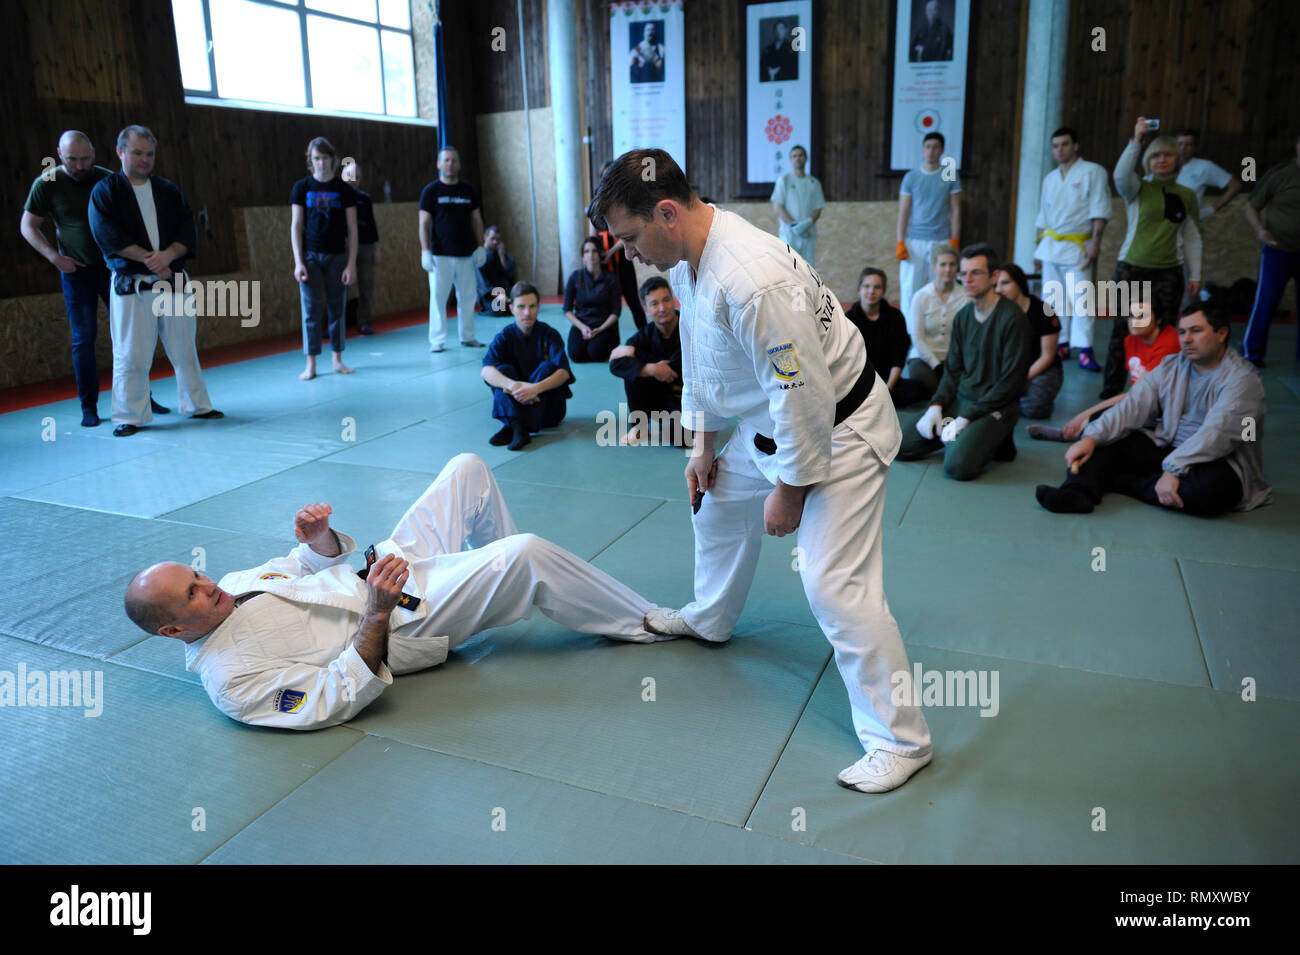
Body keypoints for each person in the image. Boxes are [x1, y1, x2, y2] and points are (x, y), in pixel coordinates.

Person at [590, 148, 933, 794]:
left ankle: (900, 738)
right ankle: (710, 616)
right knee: (713, 498)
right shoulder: (691, 258)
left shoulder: (750, 278)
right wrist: (702, 445)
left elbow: (800, 393)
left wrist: (790, 491)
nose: (627, 252)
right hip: (767, 427)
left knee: (834, 585)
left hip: (840, 431)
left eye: (631, 237)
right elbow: (705, 361)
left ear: (666, 213)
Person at [123, 453, 667, 730]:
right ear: (172, 630)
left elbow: (300, 565)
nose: (210, 586)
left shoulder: (233, 586)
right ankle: (646, 622)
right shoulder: (234, 681)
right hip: (404, 620)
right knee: (524, 551)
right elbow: (332, 698)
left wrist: (320, 539)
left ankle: (512, 588)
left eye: (197, 577)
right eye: (193, 594)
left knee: (467, 470)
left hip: (380, 568)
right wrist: (377, 615)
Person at [1036, 302, 1270, 516]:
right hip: (1166, 445)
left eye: (1196, 331)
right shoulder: (1172, 366)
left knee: (1208, 492)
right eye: (1182, 332)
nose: (1186, 339)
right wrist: (1092, 437)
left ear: (1221, 334)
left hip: (1217, 460)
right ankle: (1076, 494)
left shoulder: (1243, 380)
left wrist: (1174, 469)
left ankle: (1118, 480)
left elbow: (1218, 435)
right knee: (1104, 440)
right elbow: (1133, 404)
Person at [88, 125, 221, 437]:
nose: (144, 159)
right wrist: (152, 259)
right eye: (137, 152)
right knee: (131, 354)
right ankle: (130, 415)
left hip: (172, 279)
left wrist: (169, 255)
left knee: (185, 348)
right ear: (120, 152)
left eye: (149, 154)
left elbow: (187, 227)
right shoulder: (105, 192)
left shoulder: (167, 190)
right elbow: (107, 235)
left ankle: (197, 405)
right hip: (132, 284)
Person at [897, 244, 1034, 478]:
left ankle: (985, 437)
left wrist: (966, 418)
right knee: (903, 446)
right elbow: (953, 371)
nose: (967, 279)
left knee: (957, 466)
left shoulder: (1013, 320)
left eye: (975, 273)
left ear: (994, 276)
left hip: (993, 408)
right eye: (964, 273)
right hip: (961, 403)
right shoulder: (963, 317)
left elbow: (1010, 384)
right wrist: (936, 406)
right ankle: (968, 437)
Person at [1100, 118, 1202, 400]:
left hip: (1169, 273)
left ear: (1178, 159)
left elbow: (1193, 236)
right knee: (1124, 331)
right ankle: (1110, 393)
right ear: (1147, 160)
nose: (1161, 160)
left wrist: (1195, 274)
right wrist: (1136, 141)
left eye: (1168, 154)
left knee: (1166, 333)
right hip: (1131, 269)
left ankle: (1159, 389)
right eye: (1155, 155)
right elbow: (1120, 175)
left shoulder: (1187, 195)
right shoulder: (1137, 188)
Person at [21, 131, 115, 427]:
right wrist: (54, 258)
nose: (80, 165)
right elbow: (28, 226)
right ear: (60, 155)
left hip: (113, 270)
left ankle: (142, 396)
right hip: (76, 272)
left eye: (85, 158)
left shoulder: (107, 178)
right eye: (72, 159)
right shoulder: (47, 182)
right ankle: (89, 407)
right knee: (83, 338)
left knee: (130, 336)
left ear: (94, 153)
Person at [1028, 297, 1179, 442]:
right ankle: (1075, 433)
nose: (1134, 321)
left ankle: (1072, 434)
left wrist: (1086, 414)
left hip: (1163, 407)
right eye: (1131, 315)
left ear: (1159, 319)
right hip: (1141, 400)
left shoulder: (1168, 343)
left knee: (1108, 415)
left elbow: (1138, 393)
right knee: (1109, 414)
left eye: (1142, 316)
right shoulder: (1132, 339)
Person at [1033, 127, 1110, 368]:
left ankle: (1085, 349)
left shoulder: (1092, 172)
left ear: (1075, 146)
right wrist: (1037, 248)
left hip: (1079, 245)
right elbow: (1043, 216)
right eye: (1055, 146)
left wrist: (1095, 244)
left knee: (1082, 299)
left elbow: (1100, 210)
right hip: (1051, 246)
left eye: (1064, 144)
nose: (1059, 149)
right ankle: (1061, 344)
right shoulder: (1050, 178)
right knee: (1053, 300)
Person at [291, 138, 357, 380]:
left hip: (337, 256)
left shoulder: (344, 190)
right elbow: (296, 226)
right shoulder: (302, 188)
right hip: (310, 256)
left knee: (337, 308)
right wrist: (298, 261)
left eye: (325, 157)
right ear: (311, 160)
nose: (321, 162)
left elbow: (352, 229)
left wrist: (351, 263)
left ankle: (337, 359)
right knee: (311, 309)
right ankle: (311, 363)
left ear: (333, 159)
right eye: (316, 158)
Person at [481, 281, 573, 451]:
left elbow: (564, 373)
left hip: (548, 411)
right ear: (512, 308)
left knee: (548, 368)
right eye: (521, 307)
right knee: (502, 372)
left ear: (538, 307)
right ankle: (518, 427)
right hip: (518, 397)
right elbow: (486, 370)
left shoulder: (549, 334)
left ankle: (513, 423)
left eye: (532, 306)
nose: (527, 313)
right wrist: (513, 386)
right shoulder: (505, 336)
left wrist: (535, 389)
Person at [1242, 133, 1300, 365]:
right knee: (1265, 303)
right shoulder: (1280, 174)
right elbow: (1251, 207)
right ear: (1297, 146)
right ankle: (1253, 354)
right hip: (1278, 250)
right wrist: (1260, 231)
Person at [419, 146, 485, 352]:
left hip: (466, 254)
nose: (450, 164)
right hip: (440, 256)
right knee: (438, 299)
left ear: (459, 164)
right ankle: (437, 340)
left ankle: (468, 336)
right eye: (446, 160)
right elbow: (423, 223)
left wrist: (481, 245)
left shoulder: (468, 190)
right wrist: (424, 250)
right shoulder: (430, 192)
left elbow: (477, 219)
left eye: (454, 160)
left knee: (467, 298)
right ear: (439, 164)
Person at [609, 276, 683, 446]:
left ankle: (666, 423)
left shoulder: (688, 328)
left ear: (673, 301)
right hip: (655, 393)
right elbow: (616, 364)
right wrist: (652, 369)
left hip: (683, 395)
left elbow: (678, 366)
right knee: (633, 370)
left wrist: (636, 353)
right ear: (646, 309)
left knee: (679, 438)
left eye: (666, 300)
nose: (662, 308)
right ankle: (640, 426)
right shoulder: (645, 334)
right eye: (654, 304)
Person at [897, 131, 962, 323]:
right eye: (928, 147)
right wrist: (900, 241)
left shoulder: (949, 174)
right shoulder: (912, 177)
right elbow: (903, 211)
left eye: (935, 147)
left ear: (942, 150)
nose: (931, 151)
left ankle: (939, 330)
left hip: (941, 239)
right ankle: (908, 335)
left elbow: (956, 209)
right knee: (910, 289)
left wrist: (955, 239)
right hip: (914, 240)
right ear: (922, 150)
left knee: (941, 286)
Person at [901, 244, 968, 404]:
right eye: (943, 264)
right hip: (924, 358)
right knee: (931, 384)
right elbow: (917, 338)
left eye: (952, 264)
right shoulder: (921, 296)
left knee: (961, 383)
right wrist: (936, 365)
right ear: (933, 267)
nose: (948, 269)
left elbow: (966, 336)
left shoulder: (966, 296)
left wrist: (955, 363)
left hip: (954, 359)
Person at [994, 263, 1062, 419]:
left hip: (1039, 370)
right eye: (996, 285)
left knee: (1035, 409)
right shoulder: (996, 311)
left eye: (1005, 283)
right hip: (1008, 370)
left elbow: (1047, 356)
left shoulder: (1044, 311)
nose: (999, 290)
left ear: (1019, 283)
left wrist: (1020, 378)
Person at [845, 268, 917, 408]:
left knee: (918, 389)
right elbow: (849, 361)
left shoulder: (895, 317)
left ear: (883, 291)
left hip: (888, 380)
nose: (871, 291)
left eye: (877, 287)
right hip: (860, 380)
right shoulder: (849, 319)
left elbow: (898, 357)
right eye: (866, 286)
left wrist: (888, 388)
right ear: (859, 289)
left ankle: (877, 401)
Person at [590, 164, 648, 331]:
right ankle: (607, 337)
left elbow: (629, 233)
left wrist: (611, 251)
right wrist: (597, 254)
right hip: (604, 261)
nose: (608, 177)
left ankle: (644, 333)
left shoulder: (625, 200)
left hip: (621, 258)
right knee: (608, 302)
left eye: (611, 174)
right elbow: (592, 233)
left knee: (632, 300)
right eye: (604, 174)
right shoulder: (597, 201)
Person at [564, 237, 623, 362]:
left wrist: (600, 329)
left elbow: (616, 312)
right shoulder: (575, 277)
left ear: (600, 254)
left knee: (596, 353)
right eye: (587, 251)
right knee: (576, 355)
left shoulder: (611, 279)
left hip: (604, 325)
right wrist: (582, 327)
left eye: (594, 251)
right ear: (582, 257)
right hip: (582, 324)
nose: (591, 255)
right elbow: (567, 310)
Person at [770, 145, 825, 265]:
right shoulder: (784, 180)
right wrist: (794, 226)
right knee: (789, 268)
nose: (798, 158)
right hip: (789, 235)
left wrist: (806, 224)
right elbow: (777, 206)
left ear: (806, 158)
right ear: (790, 160)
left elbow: (818, 208)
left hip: (807, 235)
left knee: (807, 270)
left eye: (801, 155)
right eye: (794, 156)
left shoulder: (814, 183)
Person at [342, 160, 380, 336]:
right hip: (344, 247)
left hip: (365, 245)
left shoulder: (365, 199)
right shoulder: (338, 197)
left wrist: (376, 248)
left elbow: (372, 224)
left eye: (357, 177)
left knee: (367, 284)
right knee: (339, 286)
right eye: (350, 176)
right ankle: (337, 324)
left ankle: (364, 322)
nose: (354, 180)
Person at [1175, 129, 1243, 222]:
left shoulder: (1204, 166)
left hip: (1188, 226)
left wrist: (1210, 210)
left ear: (1194, 147)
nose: (1183, 148)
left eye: (1188, 144)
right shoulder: (1162, 165)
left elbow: (1235, 186)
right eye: (1180, 144)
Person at [474, 225, 517, 315]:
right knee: (501, 309)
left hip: (504, 293)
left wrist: (501, 257)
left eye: (497, 239)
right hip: (489, 295)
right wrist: (499, 294)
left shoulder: (500, 253)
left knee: (520, 304)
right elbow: (481, 282)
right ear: (485, 237)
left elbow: (509, 274)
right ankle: (486, 309)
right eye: (492, 238)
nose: (495, 242)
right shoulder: (479, 255)